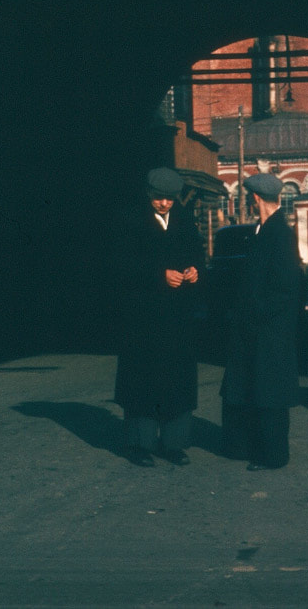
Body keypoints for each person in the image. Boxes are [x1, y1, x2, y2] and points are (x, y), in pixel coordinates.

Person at [113, 167, 204, 465]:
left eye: (169, 199)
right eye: (159, 198)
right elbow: (120, 267)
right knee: (142, 380)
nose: (165, 204)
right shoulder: (130, 220)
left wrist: (194, 270)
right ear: (148, 193)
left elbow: (197, 253)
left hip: (178, 318)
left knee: (176, 379)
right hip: (142, 318)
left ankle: (174, 443)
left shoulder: (185, 219)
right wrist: (158, 276)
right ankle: (139, 445)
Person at [219, 172, 304, 471]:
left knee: (270, 393)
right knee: (258, 389)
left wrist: (256, 313)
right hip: (261, 327)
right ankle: (253, 448)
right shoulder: (265, 229)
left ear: (255, 199)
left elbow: (284, 288)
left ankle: (272, 455)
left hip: (269, 328)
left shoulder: (279, 233)